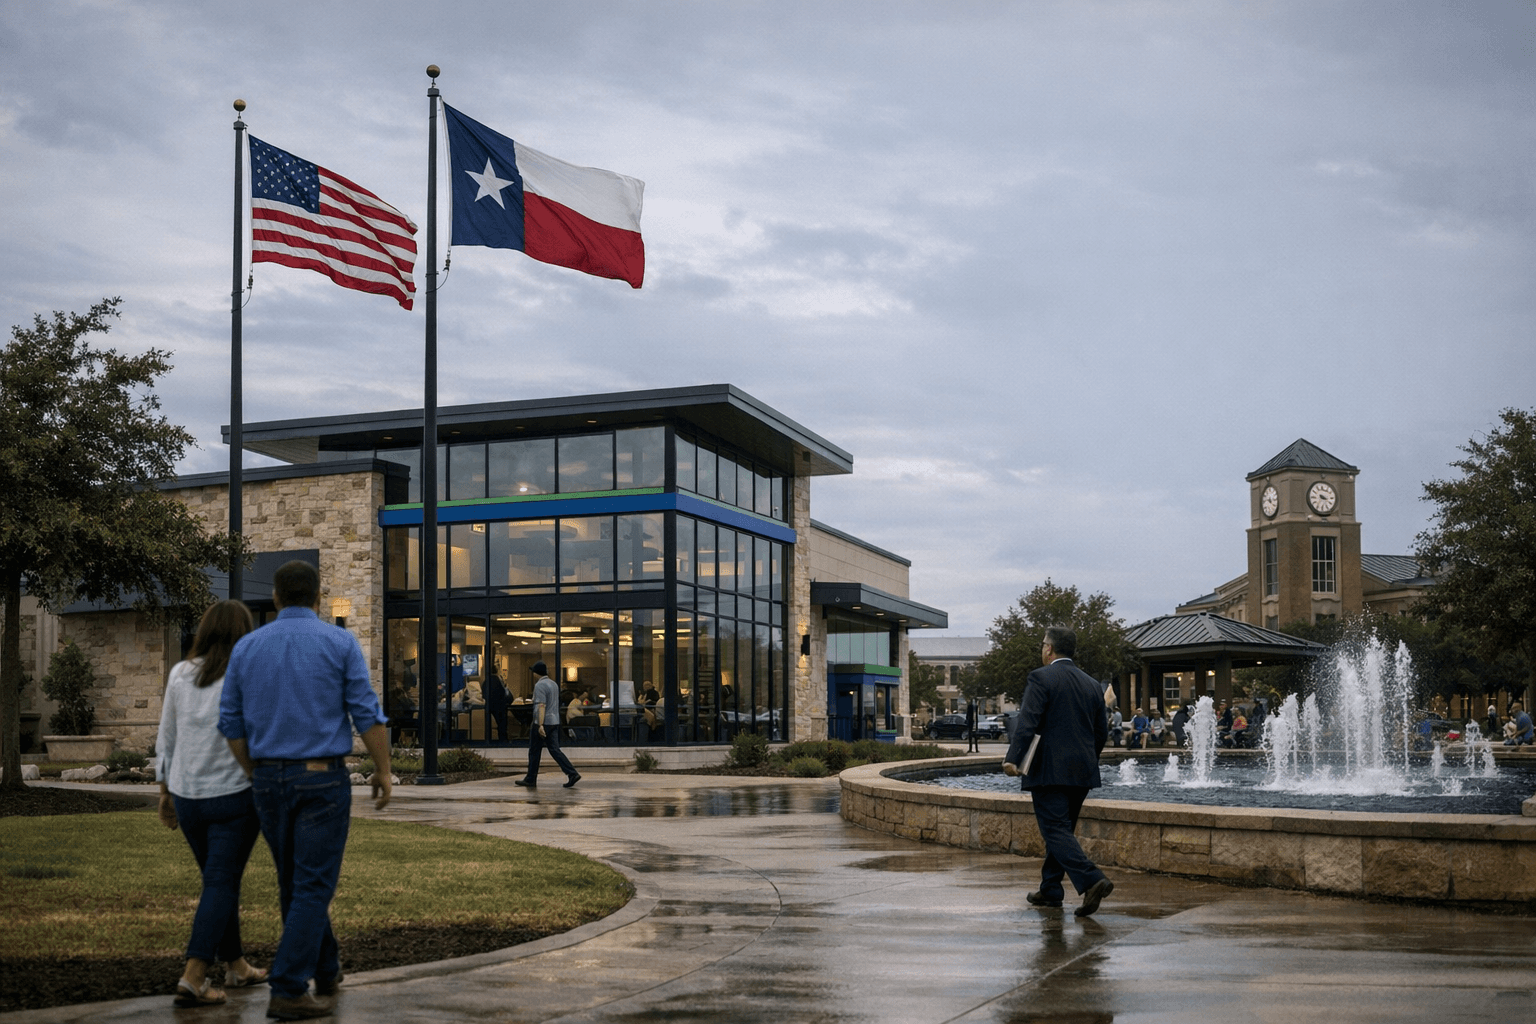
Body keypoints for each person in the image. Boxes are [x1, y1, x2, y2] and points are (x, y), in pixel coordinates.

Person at [220, 560, 392, 1021]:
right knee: (313, 883)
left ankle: (327, 968)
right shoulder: (339, 642)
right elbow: (366, 712)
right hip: (321, 779)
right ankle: (289, 987)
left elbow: (231, 724)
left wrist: (253, 771)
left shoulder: (247, 647)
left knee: (294, 882)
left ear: (275, 598)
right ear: (318, 599)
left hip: (269, 780)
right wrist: (384, 770)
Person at [156, 600, 268, 1008]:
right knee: (221, 883)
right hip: (235, 796)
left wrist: (164, 791)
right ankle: (195, 974)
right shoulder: (247, 675)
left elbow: (167, 737)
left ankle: (236, 966)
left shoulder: (180, 674)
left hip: (188, 799)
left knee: (218, 883)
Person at [1002, 626, 1114, 917]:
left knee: (1054, 829)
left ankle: (1092, 879)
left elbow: (1028, 721)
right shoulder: (1092, 684)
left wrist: (1013, 758)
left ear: (1049, 649)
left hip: (1049, 770)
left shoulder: (1041, 677)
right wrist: (1089, 760)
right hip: (1082, 771)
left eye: (1042, 645)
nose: (1041, 649)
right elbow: (1101, 732)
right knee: (1062, 830)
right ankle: (1050, 889)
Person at [516, 661, 581, 788]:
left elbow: (541, 705)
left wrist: (539, 725)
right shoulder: (554, 684)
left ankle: (530, 778)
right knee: (555, 750)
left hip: (543, 721)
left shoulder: (540, 685)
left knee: (534, 751)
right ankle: (572, 773)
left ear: (536, 673)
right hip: (555, 721)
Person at [485, 668, 510, 742]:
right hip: (499, 706)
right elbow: (503, 693)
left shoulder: (486, 681)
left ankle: (490, 740)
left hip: (490, 706)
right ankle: (503, 740)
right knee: (502, 724)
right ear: (497, 671)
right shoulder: (497, 680)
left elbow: (484, 694)